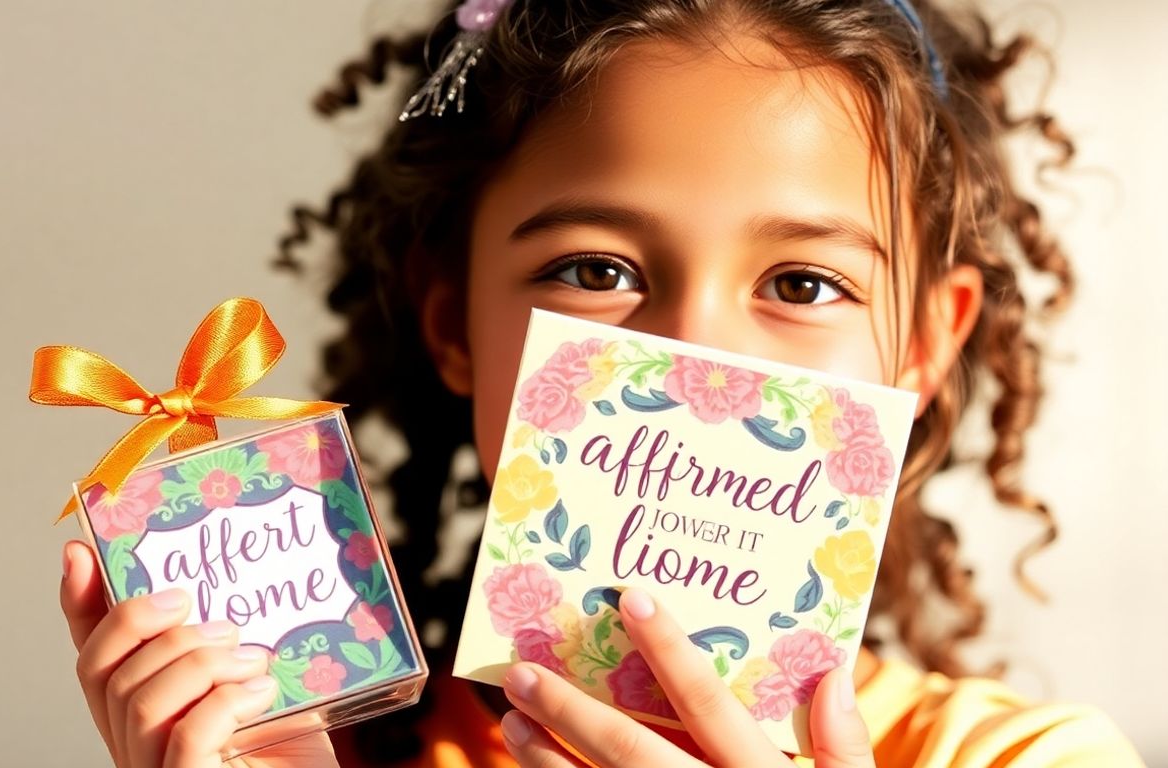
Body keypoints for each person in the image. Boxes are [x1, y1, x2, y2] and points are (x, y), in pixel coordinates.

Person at [57, 0, 1147, 765]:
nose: (692, 358)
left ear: (922, 345)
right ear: (454, 325)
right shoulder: (316, 754)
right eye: (595, 272)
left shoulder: (1022, 757)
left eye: (803, 282)